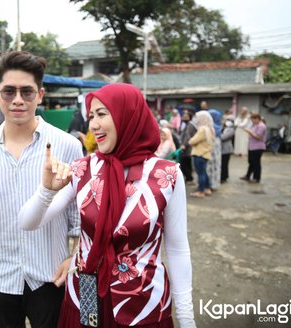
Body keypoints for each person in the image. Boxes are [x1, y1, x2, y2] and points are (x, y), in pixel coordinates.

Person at [18, 83, 196, 327]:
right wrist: (46, 190)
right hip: (86, 296)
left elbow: (177, 249)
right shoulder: (83, 169)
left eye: (102, 114)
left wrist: (187, 319)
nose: (93, 124)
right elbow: (27, 222)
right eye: (91, 116)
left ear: (128, 115)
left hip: (142, 305)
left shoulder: (167, 175)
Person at [0, 51, 83, 328]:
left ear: (40, 95)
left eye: (27, 92)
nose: (18, 99)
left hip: (50, 275)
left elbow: (80, 216)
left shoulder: (67, 145)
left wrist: (76, 258)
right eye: (9, 91)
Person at [189, 111, 215, 198]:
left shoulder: (202, 129)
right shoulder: (210, 128)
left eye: (198, 118)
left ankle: (201, 191)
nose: (197, 120)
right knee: (204, 172)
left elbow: (193, 141)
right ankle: (207, 188)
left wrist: (191, 140)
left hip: (199, 153)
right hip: (206, 153)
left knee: (200, 173)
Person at [240, 112, 267, 183]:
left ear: (257, 119)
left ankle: (256, 178)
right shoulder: (255, 125)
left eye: (253, 119)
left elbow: (258, 137)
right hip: (252, 146)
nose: (252, 121)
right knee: (251, 162)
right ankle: (248, 175)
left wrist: (249, 132)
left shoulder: (261, 126)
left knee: (256, 163)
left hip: (258, 147)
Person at [179, 110, 197, 183]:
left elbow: (188, 136)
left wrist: (183, 145)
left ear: (190, 117)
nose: (184, 118)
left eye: (186, 117)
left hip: (187, 148)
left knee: (184, 163)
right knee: (186, 164)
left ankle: (189, 178)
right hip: (185, 147)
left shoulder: (190, 125)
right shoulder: (186, 125)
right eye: (183, 116)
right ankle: (189, 178)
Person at [207, 109, 222, 190]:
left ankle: (210, 184)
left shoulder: (211, 127)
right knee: (215, 166)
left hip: (212, 149)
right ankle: (214, 183)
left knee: (211, 166)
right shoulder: (219, 126)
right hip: (217, 150)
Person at [221, 116, 235, 183]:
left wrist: (217, 135)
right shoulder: (224, 127)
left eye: (230, 120)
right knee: (222, 163)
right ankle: (223, 176)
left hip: (226, 149)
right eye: (227, 120)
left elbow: (224, 137)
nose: (228, 121)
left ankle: (224, 177)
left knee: (224, 164)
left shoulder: (231, 129)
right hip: (222, 149)